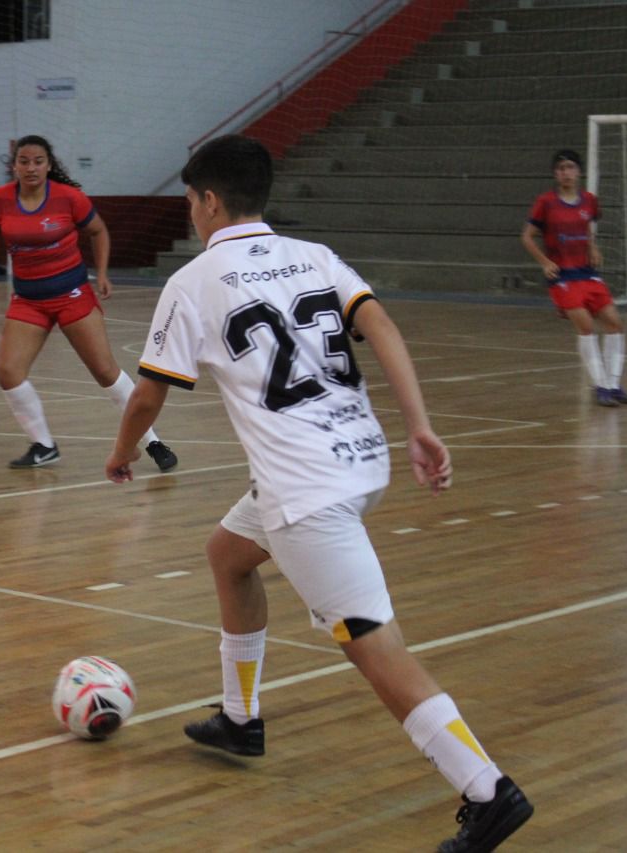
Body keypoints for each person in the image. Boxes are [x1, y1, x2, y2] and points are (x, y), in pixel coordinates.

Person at [105, 135, 533, 852]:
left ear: (209, 201)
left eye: (189, 201)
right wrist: (420, 426)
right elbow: (383, 325)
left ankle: (486, 789)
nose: (190, 213)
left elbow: (148, 395)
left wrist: (121, 454)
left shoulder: (195, 281)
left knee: (374, 645)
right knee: (228, 555)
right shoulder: (317, 256)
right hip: (357, 458)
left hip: (306, 489)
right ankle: (241, 719)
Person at [0, 134, 177, 471]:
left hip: (73, 295)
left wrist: (103, 273)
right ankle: (43, 445)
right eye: (24, 161)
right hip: (28, 300)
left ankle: (152, 441)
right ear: (15, 166)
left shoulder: (69, 198)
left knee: (105, 371)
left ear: (49, 165)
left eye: (38, 161)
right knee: (8, 372)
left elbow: (98, 231)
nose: (31, 167)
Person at [520, 149, 627, 407]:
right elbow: (527, 236)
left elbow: (586, 227)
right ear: (555, 174)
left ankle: (615, 384)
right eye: (561, 168)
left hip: (587, 273)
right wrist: (545, 262)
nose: (566, 173)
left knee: (615, 323)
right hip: (563, 276)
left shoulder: (590, 201)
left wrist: (592, 246)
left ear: (578, 171)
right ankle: (601, 387)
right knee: (586, 327)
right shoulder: (546, 202)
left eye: (570, 167)